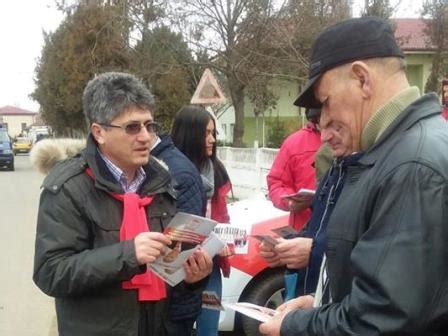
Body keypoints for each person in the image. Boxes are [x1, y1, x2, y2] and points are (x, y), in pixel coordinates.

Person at [260, 16, 448, 335]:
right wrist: (322, 299)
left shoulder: (410, 166)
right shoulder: (394, 154)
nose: (325, 122)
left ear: (362, 79)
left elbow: (382, 320)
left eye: (325, 102)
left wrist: (292, 328)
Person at [33, 72, 212, 336]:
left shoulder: (161, 183)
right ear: (99, 132)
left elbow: (165, 268)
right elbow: (51, 272)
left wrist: (191, 278)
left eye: (149, 126)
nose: (145, 137)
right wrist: (129, 254)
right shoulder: (68, 186)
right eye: (132, 127)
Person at [171, 105, 232, 336]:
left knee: (209, 328)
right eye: (205, 133)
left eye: (213, 133)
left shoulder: (216, 170)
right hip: (177, 268)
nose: (212, 139)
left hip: (210, 267)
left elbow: (223, 217)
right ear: (189, 134)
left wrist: (227, 240)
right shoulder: (169, 172)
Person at [150, 131, 208, 332]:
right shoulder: (153, 163)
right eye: (206, 132)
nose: (211, 139)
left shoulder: (177, 171)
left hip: (171, 304)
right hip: (159, 301)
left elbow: (182, 245)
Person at [267, 107, 322, 231]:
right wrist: (290, 202)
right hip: (303, 231)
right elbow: (276, 184)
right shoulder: (294, 144)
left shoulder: (353, 139)